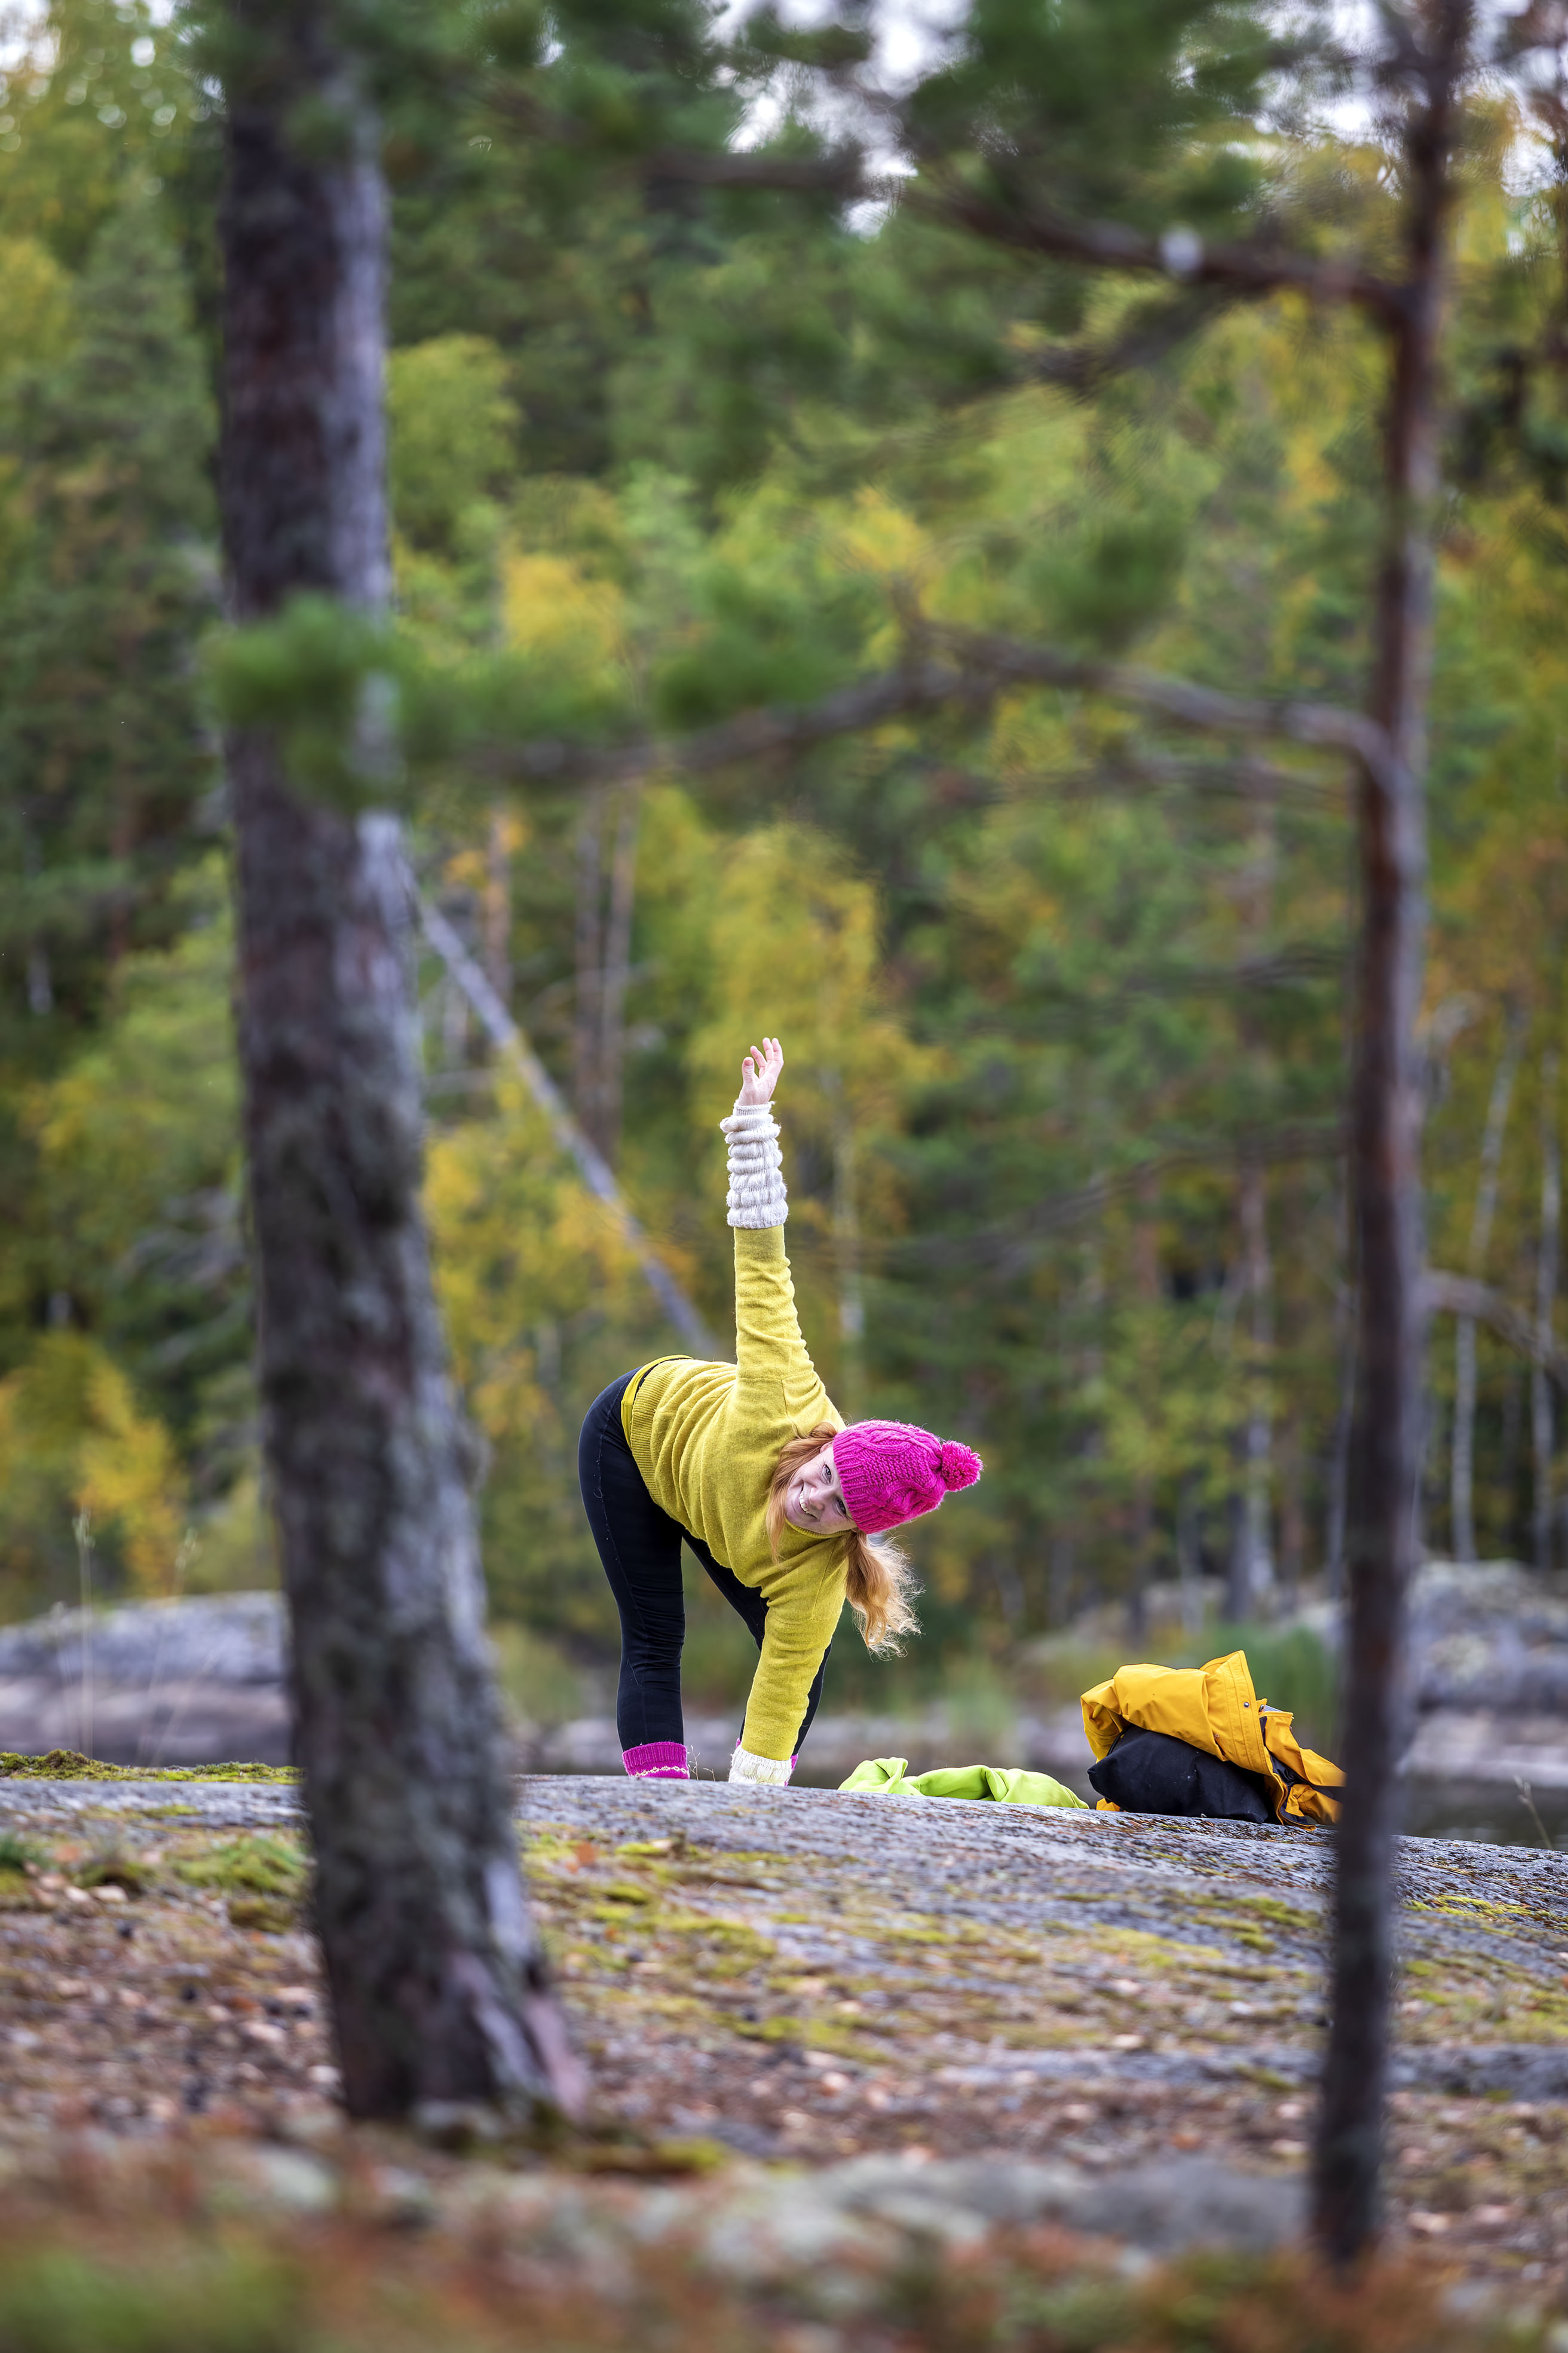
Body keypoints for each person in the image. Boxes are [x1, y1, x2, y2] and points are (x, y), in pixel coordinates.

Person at [577, 1035, 984, 1785]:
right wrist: (753, 1123)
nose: (811, 1496)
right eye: (823, 1474)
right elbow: (763, 1254)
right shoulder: (781, 1390)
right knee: (656, 1631)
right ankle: (658, 1803)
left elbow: (776, 1698)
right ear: (825, 1445)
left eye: (833, 1509)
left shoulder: (819, 1574)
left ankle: (740, 1810)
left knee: (799, 1655)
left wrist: (749, 1819)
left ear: (852, 1534)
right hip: (636, 1435)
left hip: (717, 1504)